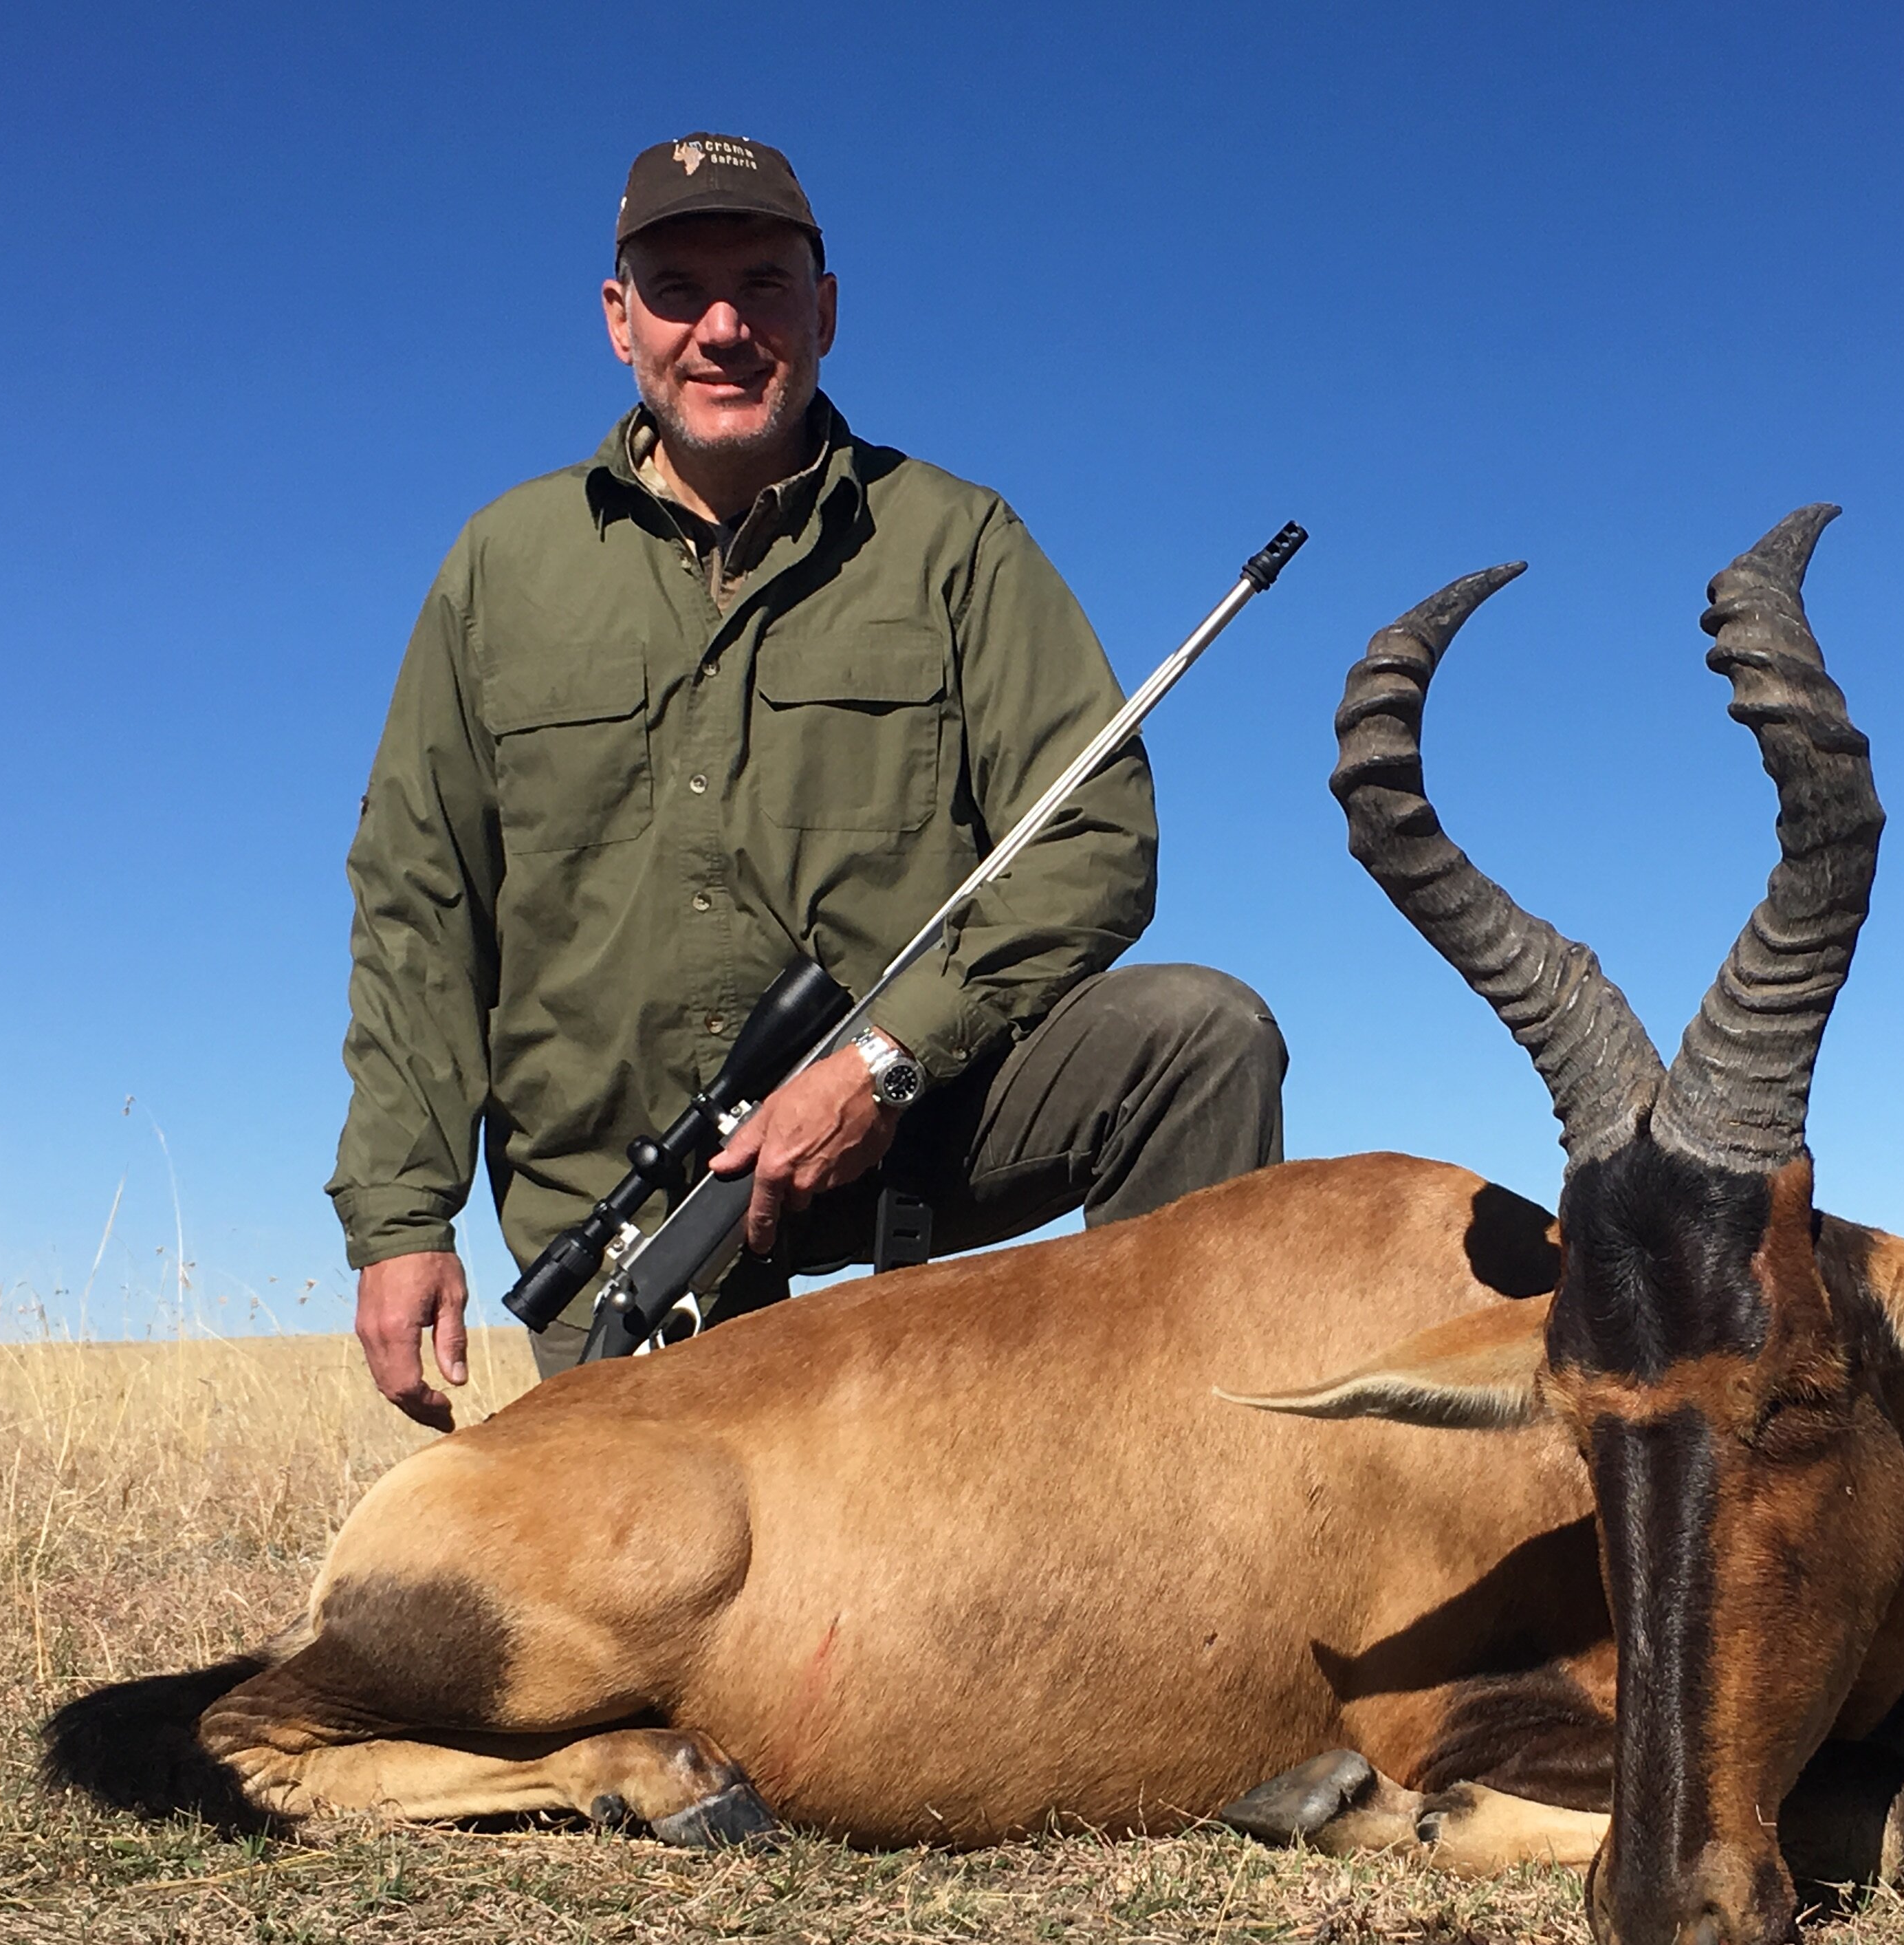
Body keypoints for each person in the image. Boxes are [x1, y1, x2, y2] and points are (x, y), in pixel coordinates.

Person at [329, 134, 1286, 1426]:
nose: (723, 328)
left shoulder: (959, 542)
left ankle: (1180, 1491)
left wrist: (882, 1061)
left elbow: (1094, 837)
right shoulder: (502, 566)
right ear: (620, 321)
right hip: (629, 1206)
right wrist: (401, 1218)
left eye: (765, 287)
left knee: (1202, 1037)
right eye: (678, 290)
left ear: (825, 308)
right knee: (672, 1594)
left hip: (908, 1120)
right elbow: (419, 902)